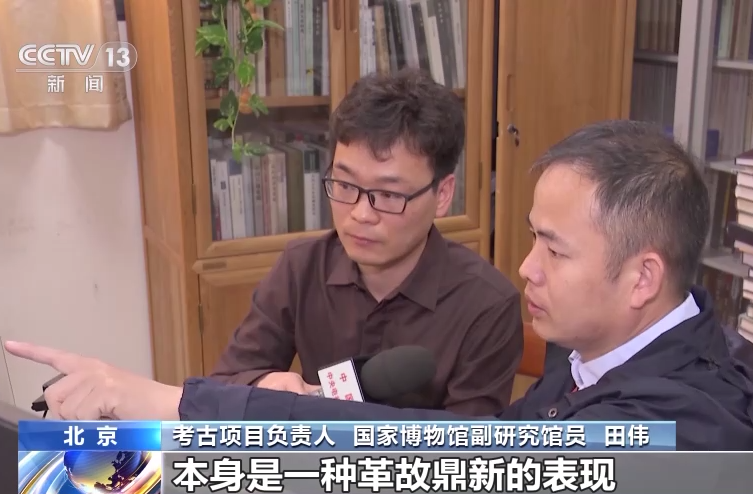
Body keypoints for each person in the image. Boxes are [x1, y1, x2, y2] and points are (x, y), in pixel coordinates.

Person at [5, 120, 753, 453]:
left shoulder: (684, 428)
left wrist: (172, 402)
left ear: (643, 276)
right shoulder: (596, 348)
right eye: (532, 239)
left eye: (554, 250)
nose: (527, 267)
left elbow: (467, 455)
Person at [209, 68, 523, 415]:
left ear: (443, 194)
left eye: (388, 194)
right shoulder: (301, 268)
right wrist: (263, 385)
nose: (360, 214)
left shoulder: (487, 305)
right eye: (345, 185)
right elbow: (221, 385)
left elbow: (469, 443)